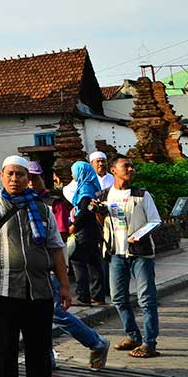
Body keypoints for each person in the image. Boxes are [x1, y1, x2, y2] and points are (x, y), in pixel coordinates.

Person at [0, 155, 72, 377]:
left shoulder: (44, 210)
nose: (14, 178)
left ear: (28, 178)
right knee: (3, 350)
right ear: (1, 176)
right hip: (5, 291)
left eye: (20, 174)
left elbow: (56, 249)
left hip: (40, 291)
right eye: (10, 173)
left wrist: (65, 286)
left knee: (39, 350)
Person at [29, 164, 109, 371]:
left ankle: (95, 342)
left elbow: (60, 240)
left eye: (34, 178)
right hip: (26, 272)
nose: (28, 182)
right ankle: (47, 357)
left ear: (42, 179)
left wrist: (62, 278)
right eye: (24, 177)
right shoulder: (19, 204)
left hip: (48, 269)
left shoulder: (52, 204)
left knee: (55, 313)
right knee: (35, 318)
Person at [100, 156, 163, 359]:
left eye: (132, 166)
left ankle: (149, 343)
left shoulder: (142, 195)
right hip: (116, 254)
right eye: (125, 166)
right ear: (113, 170)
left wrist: (139, 235)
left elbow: (155, 220)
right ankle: (132, 335)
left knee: (146, 299)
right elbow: (102, 223)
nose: (130, 169)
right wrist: (97, 212)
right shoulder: (104, 195)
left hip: (141, 254)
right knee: (118, 298)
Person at [67, 161, 106, 306]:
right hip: (93, 230)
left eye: (74, 171)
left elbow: (85, 210)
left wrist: (74, 226)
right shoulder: (92, 185)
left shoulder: (85, 188)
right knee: (94, 261)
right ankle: (98, 295)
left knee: (78, 261)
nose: (73, 175)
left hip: (85, 231)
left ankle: (83, 296)